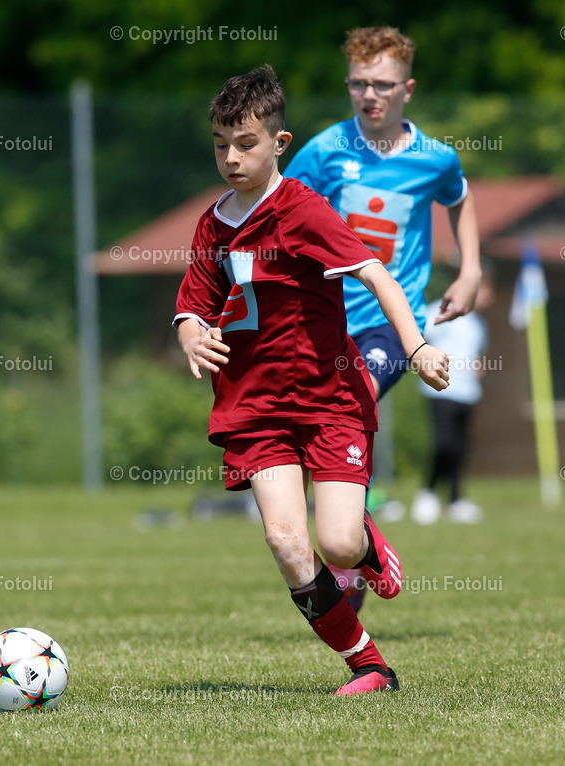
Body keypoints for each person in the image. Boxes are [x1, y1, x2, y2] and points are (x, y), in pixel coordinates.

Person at [173, 65, 449, 695]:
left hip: (330, 402)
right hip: (256, 409)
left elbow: (378, 276)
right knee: (287, 543)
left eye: (246, 144)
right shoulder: (211, 226)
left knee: (338, 545)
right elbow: (192, 304)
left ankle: (366, 548)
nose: (232, 157)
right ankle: (370, 666)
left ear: (280, 143)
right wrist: (193, 336)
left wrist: (419, 347)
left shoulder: (303, 210)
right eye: (221, 144)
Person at [285, 25, 481, 608]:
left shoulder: (434, 159)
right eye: (359, 84)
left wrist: (470, 270)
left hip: (391, 326)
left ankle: (349, 550)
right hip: (320, 322)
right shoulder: (322, 151)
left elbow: (461, 198)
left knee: (354, 396)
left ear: (408, 89)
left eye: (383, 85)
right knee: (310, 436)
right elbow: (280, 212)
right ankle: (352, 540)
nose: (370, 95)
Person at [411, 273, 495, 524]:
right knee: (444, 443)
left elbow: (478, 356)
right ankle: (427, 494)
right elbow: (416, 338)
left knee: (461, 447)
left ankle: (456, 499)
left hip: (468, 394)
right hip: (442, 390)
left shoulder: (479, 324)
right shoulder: (438, 310)